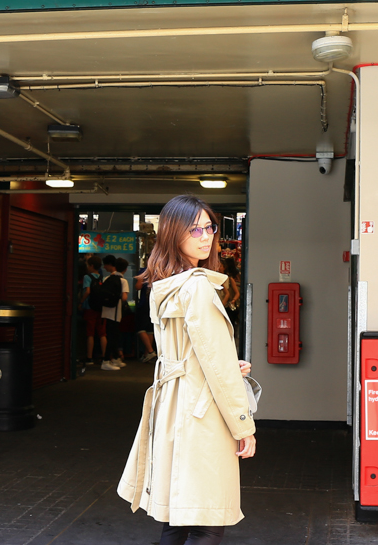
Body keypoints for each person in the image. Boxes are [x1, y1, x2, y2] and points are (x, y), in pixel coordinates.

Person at [118, 195, 255, 545]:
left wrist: (223, 362)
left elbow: (185, 353)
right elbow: (216, 370)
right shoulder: (196, 287)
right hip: (202, 415)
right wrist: (243, 426)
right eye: (195, 228)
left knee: (177, 520)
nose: (205, 235)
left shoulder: (165, 284)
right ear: (174, 233)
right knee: (208, 521)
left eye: (209, 227)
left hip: (174, 409)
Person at [101, 256, 130, 371]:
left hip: (106, 311)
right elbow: (124, 297)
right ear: (125, 269)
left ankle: (115, 358)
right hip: (116, 312)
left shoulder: (108, 278)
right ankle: (107, 360)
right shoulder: (123, 281)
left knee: (112, 335)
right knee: (113, 336)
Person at [80, 254, 106, 365]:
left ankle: (89, 357)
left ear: (91, 265)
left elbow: (88, 291)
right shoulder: (101, 277)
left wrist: (81, 302)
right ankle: (104, 357)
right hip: (100, 308)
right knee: (102, 333)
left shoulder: (87, 277)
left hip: (89, 308)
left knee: (90, 333)